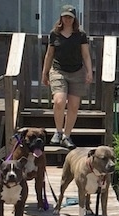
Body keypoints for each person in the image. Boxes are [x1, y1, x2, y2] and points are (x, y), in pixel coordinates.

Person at [41, 4, 93, 150]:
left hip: (77, 72)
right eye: (65, 17)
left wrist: (90, 71)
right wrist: (44, 73)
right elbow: (49, 55)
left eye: (70, 17)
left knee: (74, 105)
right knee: (59, 101)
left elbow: (86, 55)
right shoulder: (54, 34)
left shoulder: (80, 35)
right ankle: (58, 132)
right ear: (61, 18)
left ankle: (66, 136)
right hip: (58, 71)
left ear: (74, 18)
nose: (67, 19)